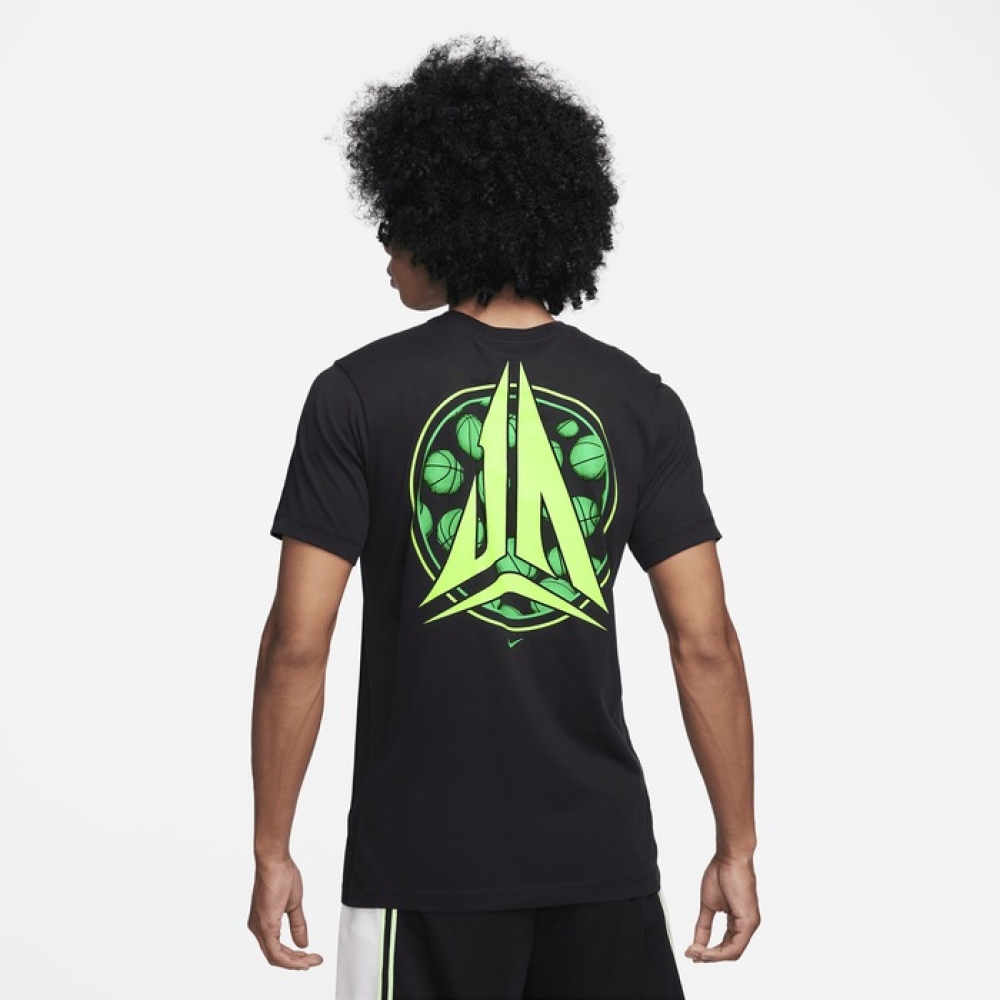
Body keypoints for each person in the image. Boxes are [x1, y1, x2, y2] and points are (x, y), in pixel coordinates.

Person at [247, 35, 759, 999]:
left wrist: (272, 846)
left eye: (395, 216)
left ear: (441, 213)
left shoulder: (355, 395)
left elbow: (297, 645)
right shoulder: (641, 402)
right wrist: (738, 846)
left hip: (422, 869)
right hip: (603, 866)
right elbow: (707, 643)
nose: (385, 243)